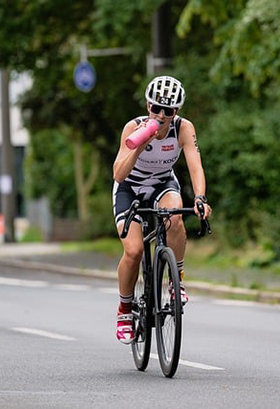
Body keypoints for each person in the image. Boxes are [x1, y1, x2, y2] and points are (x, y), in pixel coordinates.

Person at [112, 75, 212, 344]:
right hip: (130, 187)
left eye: (167, 111)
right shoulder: (132, 128)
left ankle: (175, 279)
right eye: (156, 108)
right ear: (147, 106)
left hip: (162, 183)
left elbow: (195, 165)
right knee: (133, 251)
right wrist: (140, 144)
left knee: (176, 218)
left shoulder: (183, 128)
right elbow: (119, 174)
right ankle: (124, 310)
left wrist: (200, 198)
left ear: (176, 112)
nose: (161, 115)